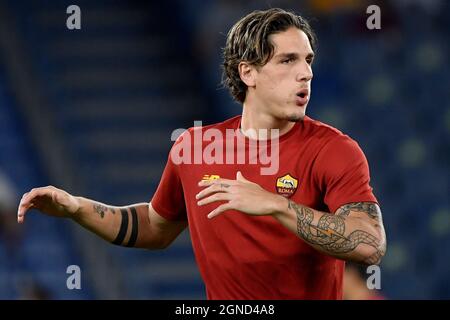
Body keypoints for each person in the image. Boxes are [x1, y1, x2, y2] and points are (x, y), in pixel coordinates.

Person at [17, 8, 387, 299]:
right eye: (288, 60)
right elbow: (154, 227)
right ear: (248, 73)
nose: (305, 72)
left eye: (308, 60)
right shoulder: (194, 148)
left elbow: (369, 243)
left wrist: (276, 205)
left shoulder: (334, 150)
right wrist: (77, 208)